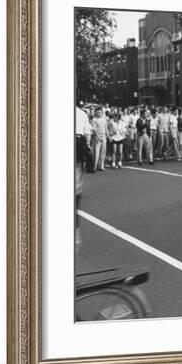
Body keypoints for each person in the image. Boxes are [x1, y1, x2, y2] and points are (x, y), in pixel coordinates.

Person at [75, 103, 92, 252]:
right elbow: (88, 133)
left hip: (78, 144)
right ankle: (76, 232)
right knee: (76, 191)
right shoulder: (81, 113)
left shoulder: (81, 113)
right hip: (78, 143)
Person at [91, 107, 108, 171]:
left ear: (102, 113)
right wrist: (98, 136)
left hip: (103, 136)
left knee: (103, 152)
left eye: (100, 112)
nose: (99, 113)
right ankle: (94, 166)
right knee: (96, 152)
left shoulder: (104, 119)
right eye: (97, 112)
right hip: (97, 136)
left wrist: (108, 136)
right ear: (95, 112)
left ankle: (101, 166)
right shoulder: (94, 120)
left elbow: (106, 129)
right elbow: (94, 129)